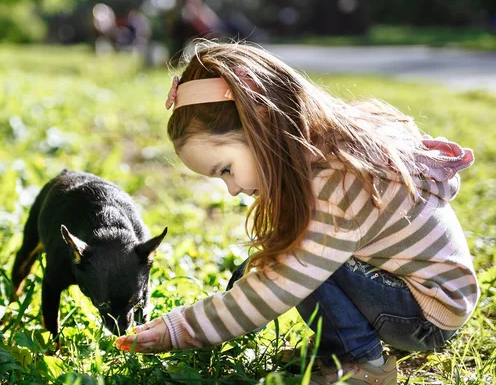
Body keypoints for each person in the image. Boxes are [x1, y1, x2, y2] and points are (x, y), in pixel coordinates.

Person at [115, 41, 479, 384]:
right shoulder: (324, 148)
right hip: (422, 294)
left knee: (294, 261)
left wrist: (183, 329)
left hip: (423, 315)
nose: (232, 188)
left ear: (260, 120)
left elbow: (276, 284)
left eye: (225, 169)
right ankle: (337, 346)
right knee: (284, 260)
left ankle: (361, 363)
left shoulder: (334, 185)